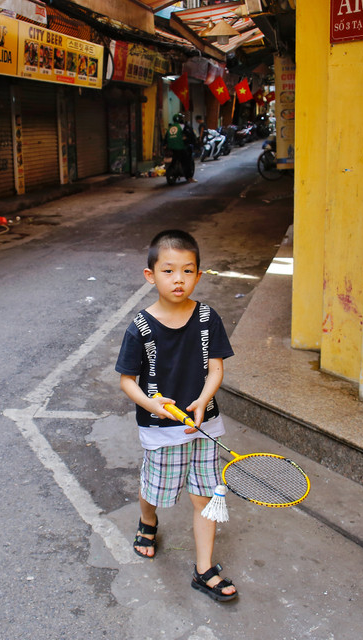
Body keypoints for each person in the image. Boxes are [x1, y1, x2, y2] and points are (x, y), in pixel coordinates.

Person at [115, 229, 238, 602]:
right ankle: (148, 519)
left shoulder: (208, 318)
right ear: (150, 275)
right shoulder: (140, 327)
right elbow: (127, 381)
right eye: (168, 271)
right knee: (154, 490)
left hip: (204, 426)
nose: (178, 279)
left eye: (187, 271)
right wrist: (152, 404)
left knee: (205, 497)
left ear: (198, 275)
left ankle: (204, 569)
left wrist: (203, 400)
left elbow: (216, 368)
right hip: (160, 430)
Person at [165, 114, 197, 182]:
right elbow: (190, 135)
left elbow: (166, 138)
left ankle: (171, 171)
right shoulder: (183, 126)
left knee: (173, 160)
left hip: (171, 148)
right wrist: (193, 142)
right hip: (181, 147)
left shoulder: (170, 127)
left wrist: (164, 145)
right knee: (186, 162)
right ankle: (189, 178)